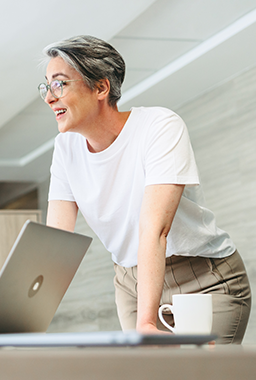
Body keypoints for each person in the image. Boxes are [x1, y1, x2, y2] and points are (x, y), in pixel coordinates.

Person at [41, 35, 251, 343]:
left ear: (101, 87)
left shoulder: (159, 126)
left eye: (59, 84)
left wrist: (148, 321)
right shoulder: (65, 148)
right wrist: (16, 317)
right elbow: (54, 242)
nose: (49, 97)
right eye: (45, 86)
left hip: (202, 281)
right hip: (132, 283)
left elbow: (154, 230)